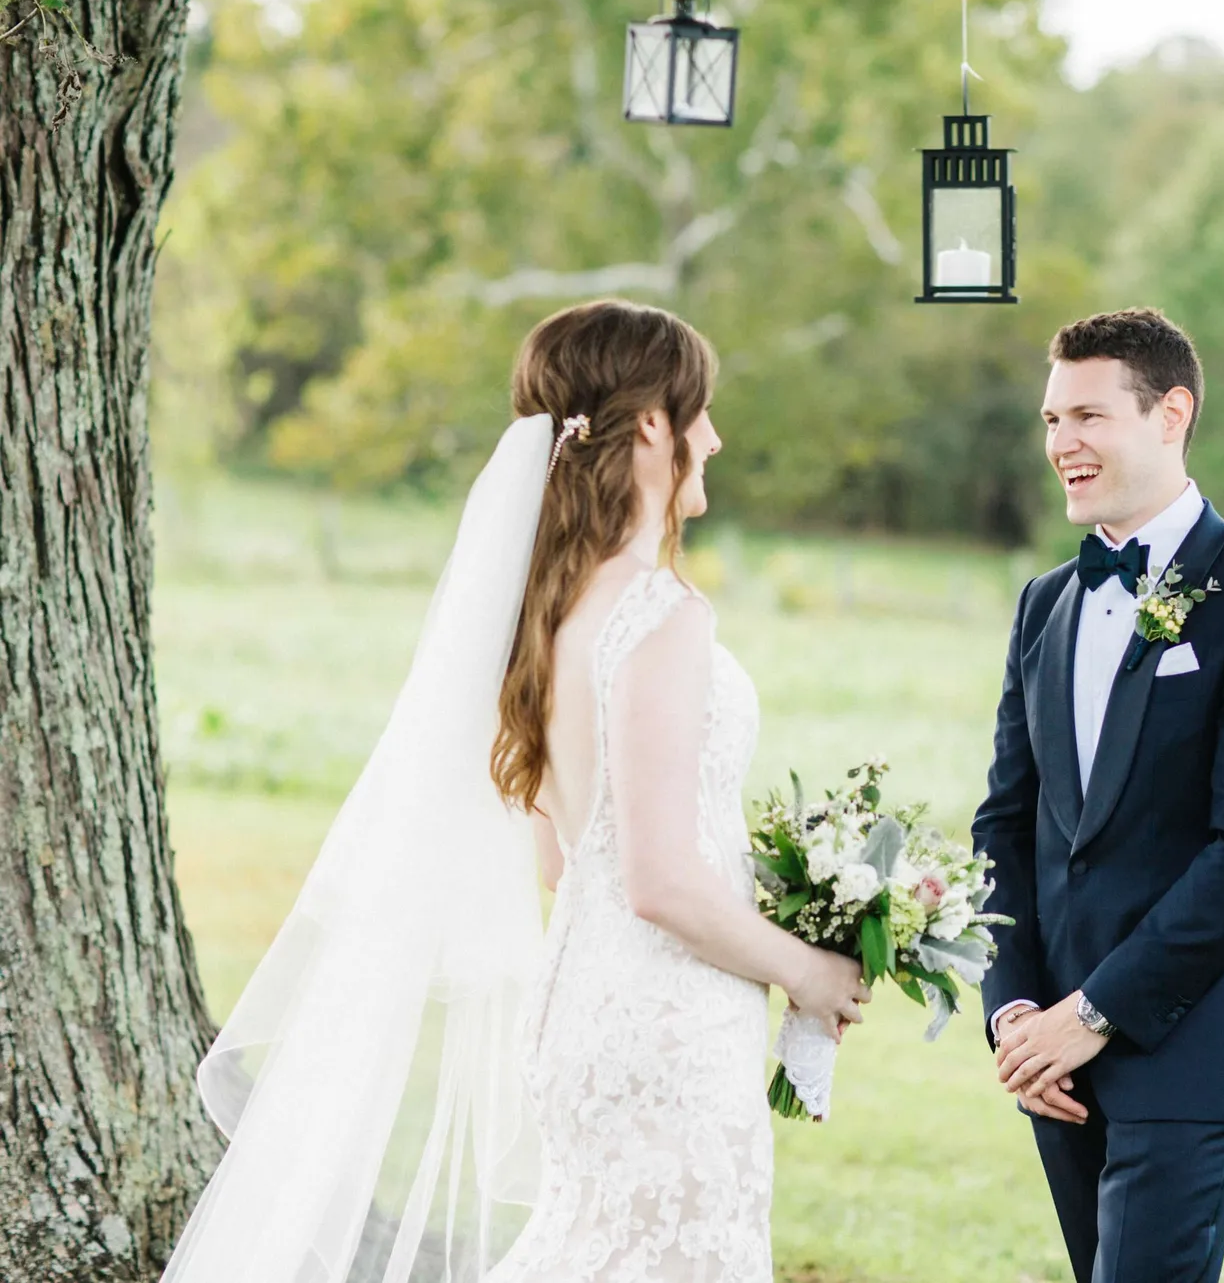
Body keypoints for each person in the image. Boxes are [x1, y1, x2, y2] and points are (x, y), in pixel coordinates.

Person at [163, 300, 866, 1283]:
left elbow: (557, 856)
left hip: (579, 1013)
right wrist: (807, 967)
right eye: (699, 410)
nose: (715, 435)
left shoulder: (545, 615)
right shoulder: (662, 615)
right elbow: (657, 878)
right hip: (667, 1027)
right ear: (655, 424)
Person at [973, 308, 1224, 1283]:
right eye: (1050, 420)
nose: (1060, 445)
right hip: (1050, 1057)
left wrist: (1090, 1014)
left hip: (1188, 1047)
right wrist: (1014, 1014)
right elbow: (1005, 821)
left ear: (1169, 413)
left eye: (1086, 416)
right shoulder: (1043, 604)